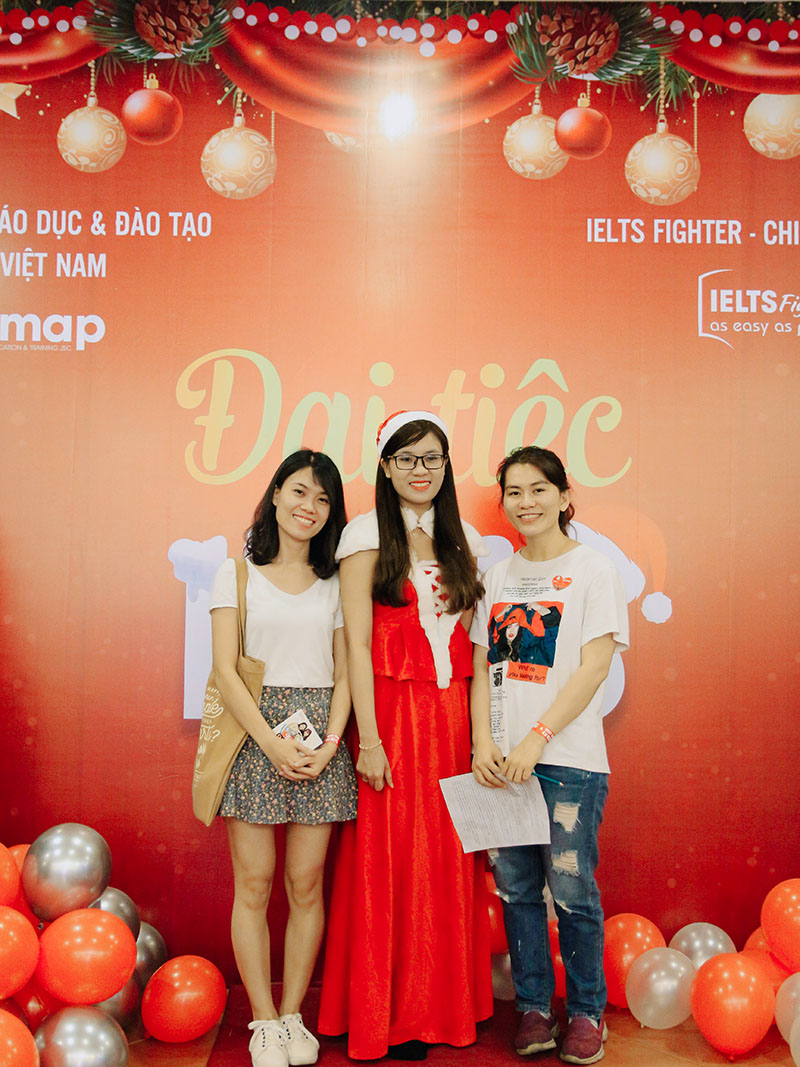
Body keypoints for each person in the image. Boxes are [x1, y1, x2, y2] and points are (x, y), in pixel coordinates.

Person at [318, 411, 493, 1061]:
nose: (421, 469)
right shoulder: (364, 536)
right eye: (407, 457)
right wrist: (367, 739)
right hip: (390, 719)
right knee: (387, 859)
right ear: (386, 466)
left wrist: (479, 738)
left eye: (432, 458)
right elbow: (357, 647)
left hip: (450, 723)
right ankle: (385, 1013)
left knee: (444, 859)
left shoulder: (463, 539)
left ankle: (438, 1005)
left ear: (446, 466)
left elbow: (474, 649)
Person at [470, 446, 629, 1066]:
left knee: (571, 890)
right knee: (516, 891)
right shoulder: (498, 576)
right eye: (514, 492)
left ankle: (587, 1012)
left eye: (539, 489)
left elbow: (593, 667)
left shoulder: (594, 570)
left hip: (567, 761)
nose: (526, 502)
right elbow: (484, 666)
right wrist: (485, 742)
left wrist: (537, 736)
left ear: (564, 497)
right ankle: (535, 1008)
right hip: (502, 766)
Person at [209, 449, 358, 1067]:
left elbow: (347, 674)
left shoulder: (337, 582)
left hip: (320, 737)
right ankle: (263, 1022)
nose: (309, 507)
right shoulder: (236, 574)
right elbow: (225, 669)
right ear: (275, 495)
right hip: (254, 735)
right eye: (299, 491)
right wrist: (269, 741)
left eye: (323, 499)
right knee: (254, 883)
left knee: (305, 884)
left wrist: (330, 745)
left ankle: (293, 1014)